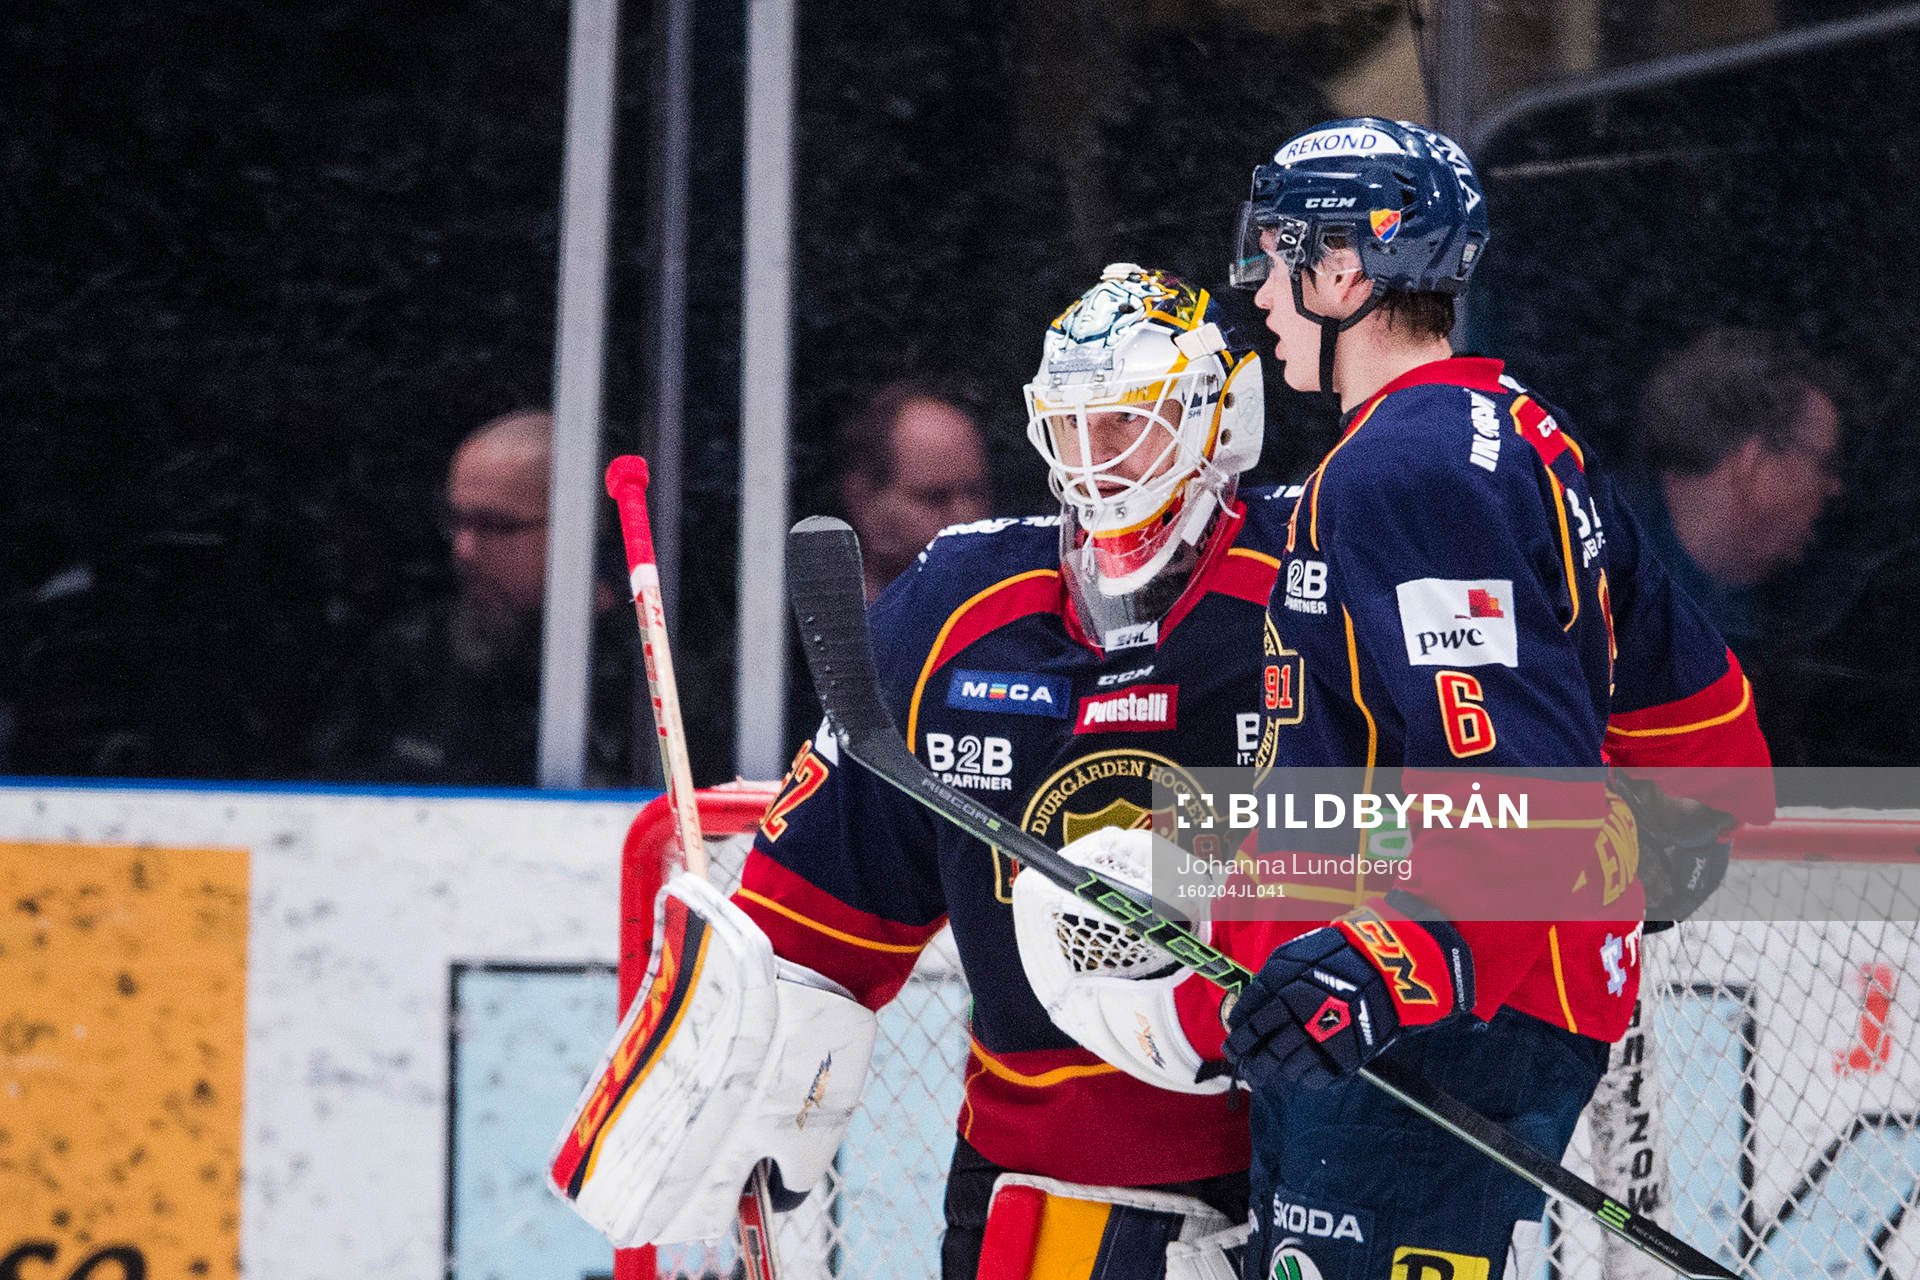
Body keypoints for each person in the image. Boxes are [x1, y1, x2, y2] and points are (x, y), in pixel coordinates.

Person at [558, 254, 1770, 1280]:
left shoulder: (1327, 560)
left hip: (1314, 1136)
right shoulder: (955, 604)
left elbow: (1515, 796)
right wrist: (767, 1109)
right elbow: (803, 927)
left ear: (1217, 424)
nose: (1101, 461)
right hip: (1056, 1181)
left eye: (1132, 424)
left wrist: (1394, 941)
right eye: (1074, 426)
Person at [1017, 120, 1773, 1280]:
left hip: (1435, 1032)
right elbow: (1707, 752)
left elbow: (1520, 800)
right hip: (1450, 1011)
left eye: (1273, 257)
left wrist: (1382, 958)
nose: (1254, 289)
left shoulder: (1400, 468)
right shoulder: (1523, 433)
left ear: (1343, 272)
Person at [308, 410, 630, 785]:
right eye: (455, 521)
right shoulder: (411, 656)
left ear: (577, 528)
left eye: (494, 525)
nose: (463, 550)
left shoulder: (651, 684)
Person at [1628, 326, 1845, 661]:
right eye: (1825, 464)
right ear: (1755, 464)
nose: (1835, 488)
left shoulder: (1770, 620)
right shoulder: (1595, 573)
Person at [836, 383, 993, 600]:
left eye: (976, 493)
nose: (966, 519)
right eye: (935, 498)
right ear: (863, 501)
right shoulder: (791, 621)